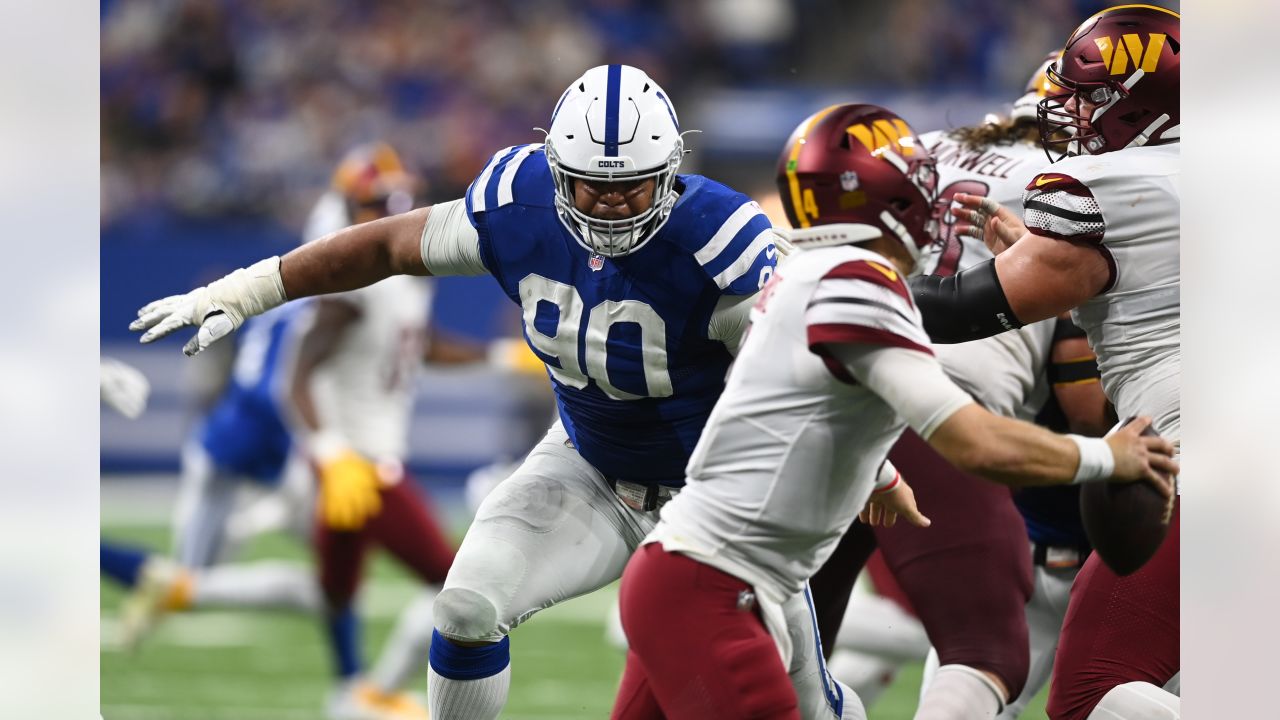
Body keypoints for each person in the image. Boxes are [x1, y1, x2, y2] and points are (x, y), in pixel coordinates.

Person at [129, 64, 781, 720]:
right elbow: (387, 246)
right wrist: (249, 290)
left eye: (632, 188)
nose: (611, 204)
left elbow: (806, 371)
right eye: (590, 187)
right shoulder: (516, 207)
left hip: (709, 497)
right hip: (592, 467)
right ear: (556, 174)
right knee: (466, 602)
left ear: (668, 176)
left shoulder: (722, 240)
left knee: (796, 695)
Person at [609, 102, 1176, 720]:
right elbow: (973, 443)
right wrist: (1107, 457)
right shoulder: (860, 286)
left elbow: (804, 401)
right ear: (895, 204)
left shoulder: (806, 278)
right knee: (985, 649)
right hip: (717, 589)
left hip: (687, 573)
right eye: (919, 190)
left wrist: (878, 472)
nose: (935, 206)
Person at [913, 6, 1181, 718]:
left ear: (1148, 107)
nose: (1065, 106)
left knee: (1095, 692)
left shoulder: (1111, 184)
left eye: (1088, 95)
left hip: (1201, 454)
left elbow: (963, 308)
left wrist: (845, 287)